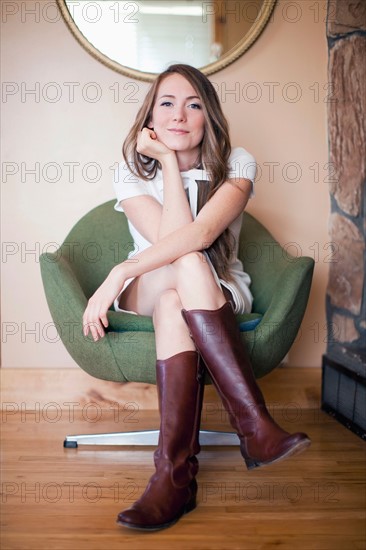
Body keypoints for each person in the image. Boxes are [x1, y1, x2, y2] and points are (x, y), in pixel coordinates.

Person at [82, 64, 311, 531]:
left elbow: (202, 234)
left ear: (210, 117)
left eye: (194, 104)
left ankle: (173, 478)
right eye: (166, 103)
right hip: (146, 285)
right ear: (150, 115)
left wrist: (119, 269)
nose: (179, 115)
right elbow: (173, 242)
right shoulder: (129, 171)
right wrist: (166, 164)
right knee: (178, 269)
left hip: (217, 285)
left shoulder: (237, 162)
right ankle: (255, 427)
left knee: (180, 290)